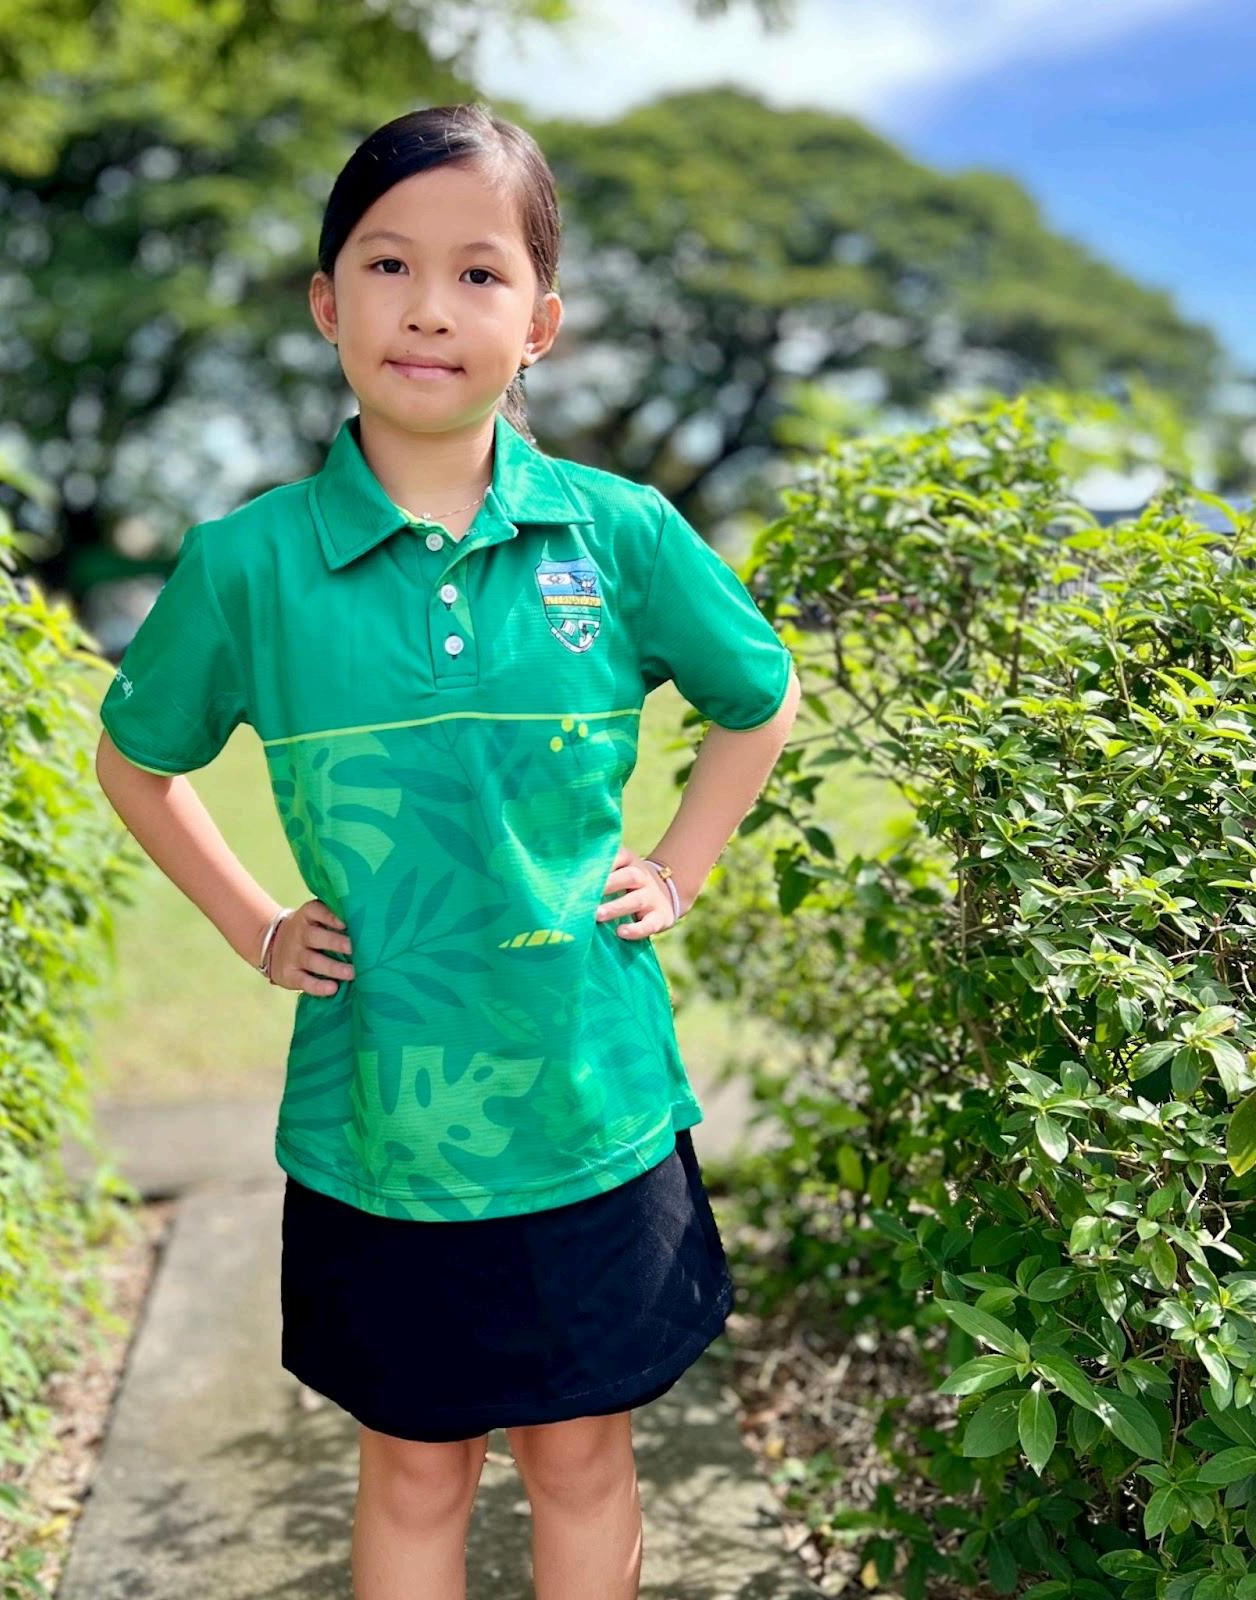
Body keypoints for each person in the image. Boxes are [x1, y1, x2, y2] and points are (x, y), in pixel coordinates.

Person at [94, 100, 800, 1600]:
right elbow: (136, 761)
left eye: (480, 274)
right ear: (325, 303)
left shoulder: (619, 534)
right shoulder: (247, 564)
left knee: (581, 1455)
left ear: (539, 324)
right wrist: (253, 924)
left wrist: (678, 865)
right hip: (378, 1125)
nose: (429, 307)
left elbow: (760, 697)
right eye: (388, 264)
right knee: (414, 1467)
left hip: (591, 1104)